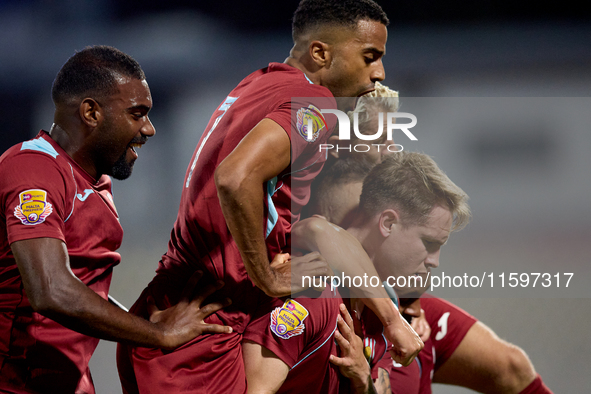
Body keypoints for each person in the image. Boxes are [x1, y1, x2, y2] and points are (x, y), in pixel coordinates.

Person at [117, 1, 423, 393]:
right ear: (320, 53)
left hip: (170, 311)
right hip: (204, 328)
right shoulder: (315, 104)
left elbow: (303, 220)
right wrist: (265, 276)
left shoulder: (258, 84)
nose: (378, 73)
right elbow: (234, 177)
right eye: (370, 57)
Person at [0, 46, 232, 394]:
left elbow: (79, 285)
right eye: (137, 113)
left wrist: (141, 323)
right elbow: (50, 289)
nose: (149, 129)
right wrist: (157, 334)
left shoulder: (97, 182)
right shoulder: (32, 170)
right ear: (91, 112)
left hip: (69, 382)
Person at [313, 85, 553, 394]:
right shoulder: (312, 191)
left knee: (511, 365)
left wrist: (406, 301)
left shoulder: (378, 186)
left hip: (390, 310)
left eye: (392, 139)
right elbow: (316, 234)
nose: (391, 149)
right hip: (365, 320)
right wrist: (392, 316)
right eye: (380, 140)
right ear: (340, 141)